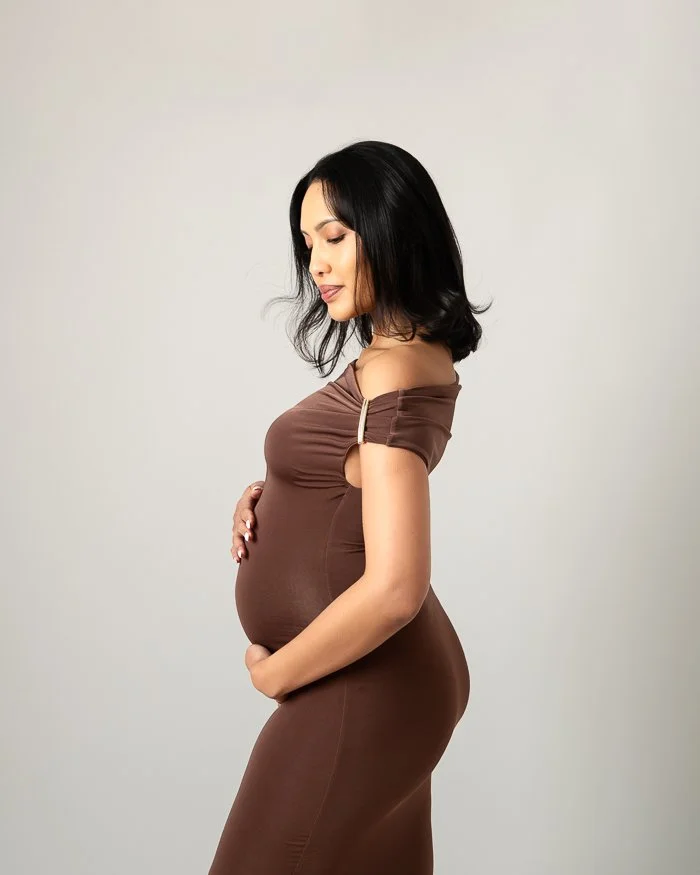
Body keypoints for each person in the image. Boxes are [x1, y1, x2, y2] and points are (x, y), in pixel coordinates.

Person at [208, 140, 491, 874]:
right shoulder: (397, 356)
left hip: (366, 684)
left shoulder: (394, 370)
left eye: (334, 236)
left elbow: (395, 586)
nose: (317, 264)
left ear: (392, 229)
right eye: (309, 245)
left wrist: (278, 675)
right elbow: (353, 476)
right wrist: (278, 491)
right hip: (387, 681)